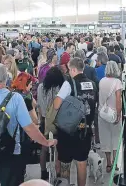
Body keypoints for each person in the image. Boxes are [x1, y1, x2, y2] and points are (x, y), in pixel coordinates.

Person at [53, 57, 97, 186]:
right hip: (86, 129)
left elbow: (56, 105)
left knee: (65, 163)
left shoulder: (69, 83)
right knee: (82, 162)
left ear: (73, 69)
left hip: (69, 130)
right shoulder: (93, 84)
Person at [36, 66, 64, 180]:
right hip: (59, 121)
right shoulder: (60, 88)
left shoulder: (41, 87)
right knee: (59, 147)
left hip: (45, 120)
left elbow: (40, 106)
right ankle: (58, 173)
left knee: (44, 147)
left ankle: (43, 171)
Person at [98, 61, 122, 173]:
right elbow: (118, 99)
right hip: (113, 114)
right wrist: (118, 114)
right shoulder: (117, 82)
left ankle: (108, 163)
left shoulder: (101, 81)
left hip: (103, 114)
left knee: (105, 138)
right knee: (115, 137)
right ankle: (115, 163)